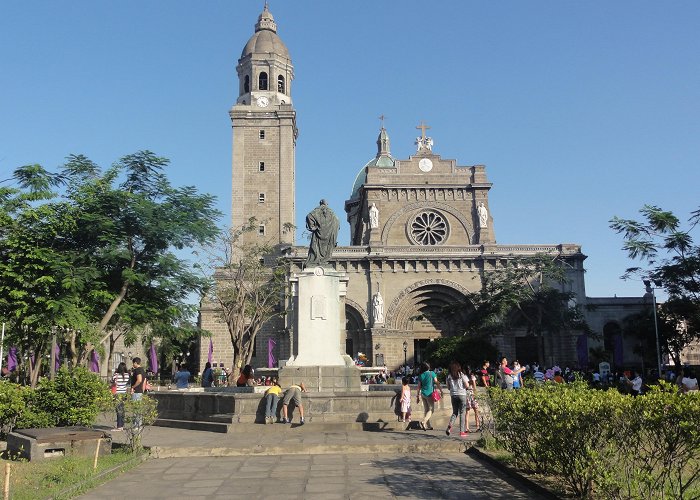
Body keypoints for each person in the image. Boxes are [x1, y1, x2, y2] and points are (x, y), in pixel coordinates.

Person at [305, 199, 340, 267]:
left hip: (319, 234)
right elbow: (337, 222)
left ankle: (318, 261)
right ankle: (323, 261)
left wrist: (312, 227)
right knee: (327, 249)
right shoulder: (332, 213)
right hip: (329, 235)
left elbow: (309, 216)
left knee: (316, 249)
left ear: (321, 203)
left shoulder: (317, 211)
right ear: (326, 204)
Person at [416, 361, 443, 431]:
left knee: (426, 410)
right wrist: (441, 390)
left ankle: (428, 425)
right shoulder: (432, 373)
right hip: (430, 394)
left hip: (423, 394)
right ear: (428, 367)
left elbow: (418, 387)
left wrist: (417, 396)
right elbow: (436, 382)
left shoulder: (420, 375)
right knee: (431, 410)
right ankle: (424, 422)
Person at [445, 361, 469, 438]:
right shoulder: (462, 375)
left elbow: (448, 387)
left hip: (453, 395)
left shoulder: (449, 376)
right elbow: (467, 385)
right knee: (462, 413)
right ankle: (462, 431)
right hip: (462, 395)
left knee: (455, 412)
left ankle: (450, 425)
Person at [111, 362, 129, 431]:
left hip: (117, 393)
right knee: (122, 409)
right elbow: (127, 384)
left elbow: (112, 381)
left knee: (118, 410)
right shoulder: (127, 375)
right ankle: (122, 425)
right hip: (124, 393)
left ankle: (119, 426)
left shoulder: (116, 375)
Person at [130, 357, 146, 428]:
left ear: (136, 363)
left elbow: (139, 380)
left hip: (136, 391)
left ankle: (137, 425)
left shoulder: (137, 370)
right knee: (139, 408)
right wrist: (142, 390)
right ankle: (139, 425)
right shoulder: (143, 370)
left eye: (133, 363)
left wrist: (133, 387)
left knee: (136, 409)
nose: (133, 365)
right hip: (140, 391)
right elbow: (144, 381)